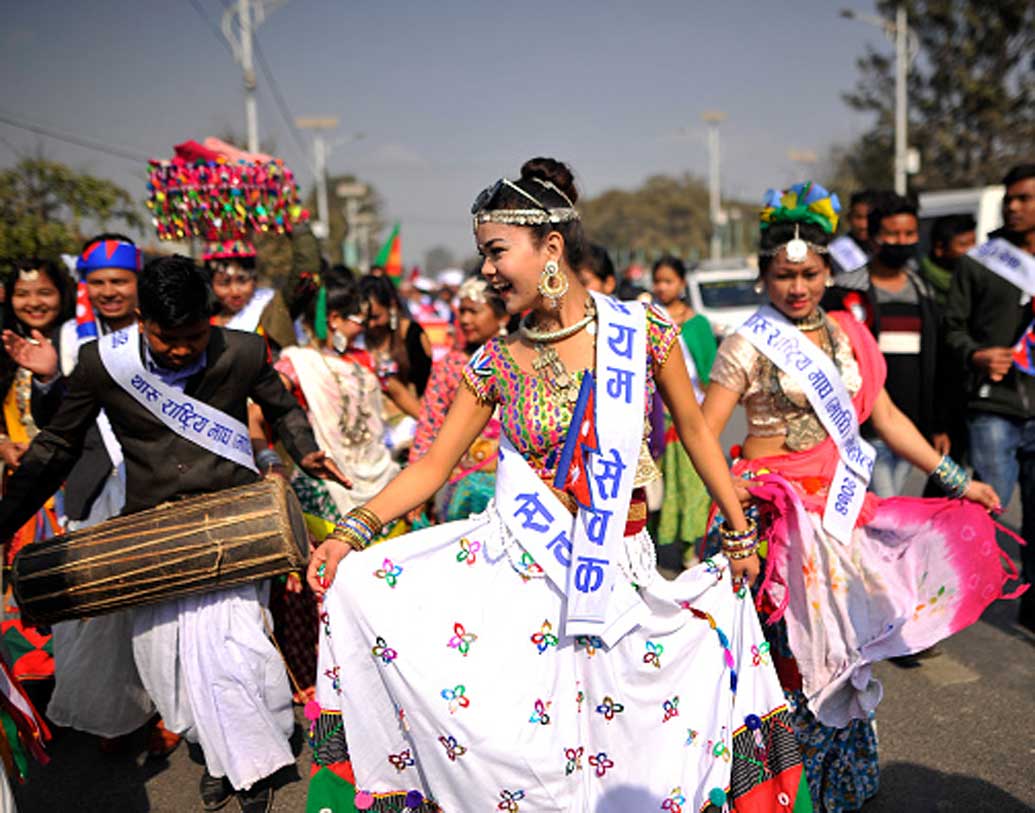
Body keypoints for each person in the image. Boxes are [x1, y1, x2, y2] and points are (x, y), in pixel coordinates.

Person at [303, 158, 811, 813]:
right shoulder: (495, 362)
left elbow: (694, 429)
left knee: (624, 735)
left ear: (550, 247)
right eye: (482, 255)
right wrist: (351, 534)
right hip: (526, 573)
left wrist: (738, 530)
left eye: (496, 251)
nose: (487, 269)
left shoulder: (640, 331)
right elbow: (430, 467)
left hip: (618, 563)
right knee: (534, 746)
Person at [702, 181, 1017, 813]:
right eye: (784, 275)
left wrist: (957, 477)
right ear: (763, 276)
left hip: (838, 515)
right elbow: (702, 435)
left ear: (827, 271)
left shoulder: (849, 334)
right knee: (783, 658)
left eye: (809, 274)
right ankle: (780, 788)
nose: (798, 288)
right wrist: (732, 498)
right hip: (772, 521)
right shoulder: (747, 342)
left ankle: (835, 780)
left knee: (843, 651)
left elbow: (887, 418)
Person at [0, 255, 349, 812]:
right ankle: (213, 753)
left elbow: (281, 409)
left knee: (237, 650)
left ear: (209, 318)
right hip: (152, 531)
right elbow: (59, 444)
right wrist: (7, 518)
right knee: (168, 664)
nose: (183, 350)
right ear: (142, 320)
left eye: (194, 337)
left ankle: (251, 768)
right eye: (168, 339)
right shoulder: (103, 362)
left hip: (235, 524)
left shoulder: (243, 351)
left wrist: (306, 451)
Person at [45, 235, 162, 754]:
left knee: (157, 598)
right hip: (93, 487)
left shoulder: (159, 331)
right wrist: (48, 378)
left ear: (138, 283)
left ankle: (166, 710)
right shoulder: (69, 338)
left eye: (120, 280)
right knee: (99, 603)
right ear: (84, 285)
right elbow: (57, 421)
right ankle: (113, 715)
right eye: (98, 282)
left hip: (152, 481)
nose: (109, 291)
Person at [268, 280, 400, 701]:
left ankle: (372, 669)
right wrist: (270, 462)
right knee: (319, 583)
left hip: (374, 478)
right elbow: (263, 410)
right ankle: (321, 674)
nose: (363, 325)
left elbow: (386, 412)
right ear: (334, 320)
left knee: (374, 582)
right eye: (356, 317)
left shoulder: (364, 363)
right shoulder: (296, 364)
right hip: (322, 484)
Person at [943, 163, 1035, 633]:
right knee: (988, 508)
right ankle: (960, 594)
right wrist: (977, 354)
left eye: (1025, 199)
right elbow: (951, 328)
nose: (1014, 207)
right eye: (1010, 199)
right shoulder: (980, 262)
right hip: (993, 405)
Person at [823, 192, 947, 498]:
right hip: (866, 425)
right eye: (892, 234)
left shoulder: (924, 291)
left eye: (909, 233)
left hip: (910, 426)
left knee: (886, 504)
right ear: (874, 237)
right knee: (885, 503)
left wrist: (938, 424)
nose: (901, 241)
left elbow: (938, 362)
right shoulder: (845, 291)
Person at [0, 260, 71, 684]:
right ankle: (30, 685)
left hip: (67, 490)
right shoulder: (2, 346)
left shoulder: (76, 344)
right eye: (23, 293)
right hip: (19, 494)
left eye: (44, 292)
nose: (34, 302)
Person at [409, 276, 509, 521]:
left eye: (473, 311)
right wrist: (416, 489)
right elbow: (429, 427)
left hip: (511, 482)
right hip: (459, 488)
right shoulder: (451, 365)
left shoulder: (520, 362)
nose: (464, 320)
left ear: (503, 317)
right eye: (461, 311)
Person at [650, 255, 717, 566]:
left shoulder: (697, 324)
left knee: (691, 485)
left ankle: (690, 548)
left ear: (681, 283)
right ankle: (654, 546)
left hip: (691, 413)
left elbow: (710, 370)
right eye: (658, 281)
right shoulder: (649, 320)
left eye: (669, 281)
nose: (662, 287)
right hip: (657, 416)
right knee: (658, 484)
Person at [205, 220, 320, 350]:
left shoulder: (272, 307)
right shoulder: (202, 323)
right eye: (224, 283)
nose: (235, 292)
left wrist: (297, 224)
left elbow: (305, 272)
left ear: (254, 279)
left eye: (242, 281)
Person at [920, 214, 977, 307]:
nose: (973, 250)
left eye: (974, 242)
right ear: (939, 249)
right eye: (964, 244)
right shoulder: (919, 284)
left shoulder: (978, 280)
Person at [827, 189, 875, 275]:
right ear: (848, 218)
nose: (864, 225)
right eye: (858, 217)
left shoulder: (889, 248)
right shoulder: (835, 249)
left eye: (870, 218)